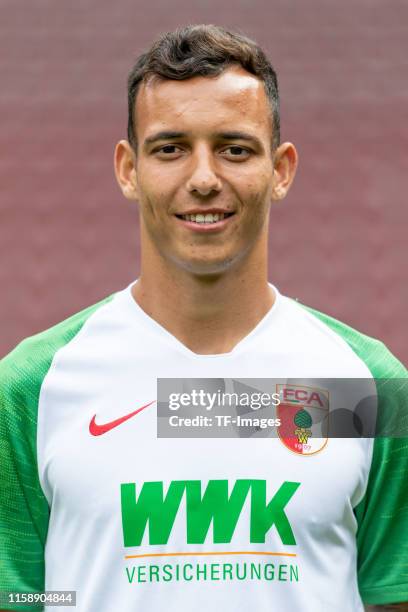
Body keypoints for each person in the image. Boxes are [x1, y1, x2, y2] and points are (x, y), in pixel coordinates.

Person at [0, 24, 406, 612]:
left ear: (281, 170)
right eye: (170, 149)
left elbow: (390, 598)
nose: (204, 178)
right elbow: (25, 595)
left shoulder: (364, 385)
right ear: (128, 169)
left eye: (235, 149)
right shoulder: (31, 388)